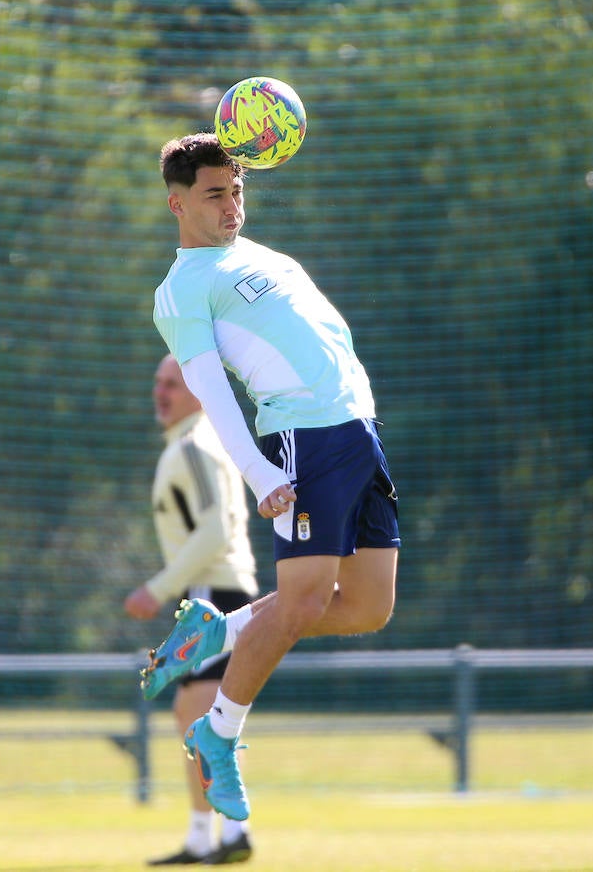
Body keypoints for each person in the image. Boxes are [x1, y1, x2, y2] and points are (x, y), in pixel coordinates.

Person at [141, 133, 400, 823]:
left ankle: (216, 633)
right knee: (303, 603)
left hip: (358, 435)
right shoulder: (182, 289)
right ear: (177, 203)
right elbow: (213, 393)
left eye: (238, 191)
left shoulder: (265, 256)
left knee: (371, 606)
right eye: (215, 194)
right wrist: (258, 473)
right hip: (300, 440)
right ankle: (218, 733)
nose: (232, 206)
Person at [124, 354, 260, 865]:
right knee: (192, 714)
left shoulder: (195, 446)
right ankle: (209, 837)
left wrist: (158, 589)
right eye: (157, 382)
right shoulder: (187, 444)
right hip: (205, 594)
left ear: (200, 393)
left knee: (201, 714)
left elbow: (217, 533)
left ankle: (229, 835)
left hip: (215, 595)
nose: (160, 392)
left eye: (173, 385)